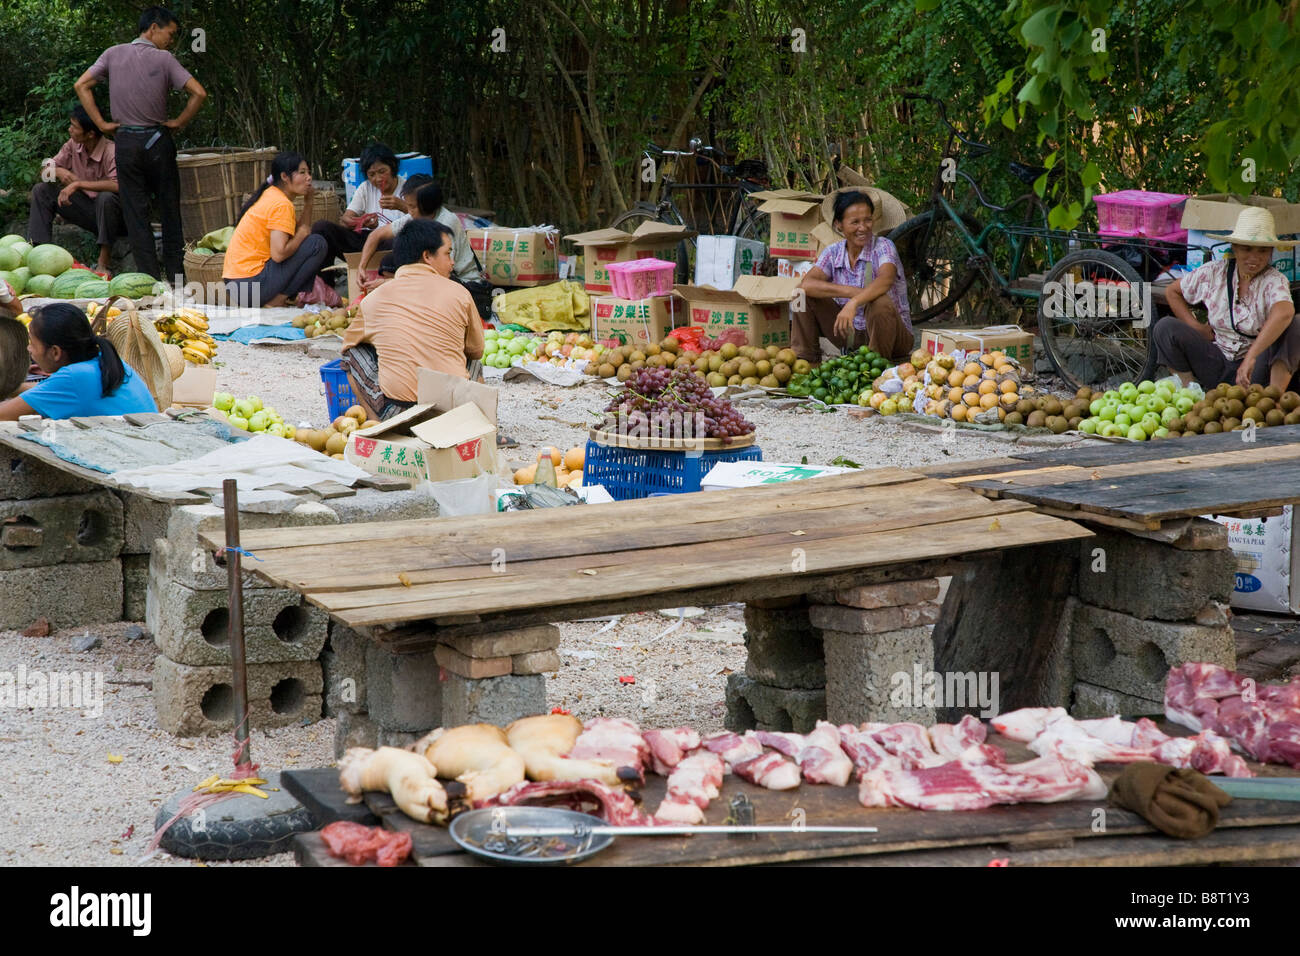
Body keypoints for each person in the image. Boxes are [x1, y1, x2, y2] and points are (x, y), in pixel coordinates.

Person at [75, 6, 207, 284]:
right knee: (170, 209)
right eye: (169, 33)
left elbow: (81, 85)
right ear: (153, 28)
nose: (171, 40)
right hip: (158, 141)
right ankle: (177, 278)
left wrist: (101, 124)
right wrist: (179, 121)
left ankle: (149, 280)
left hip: (126, 142)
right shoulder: (165, 59)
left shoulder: (112, 53)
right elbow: (198, 93)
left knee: (136, 213)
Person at [340, 220, 483, 421]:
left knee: (350, 354)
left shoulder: (374, 299)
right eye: (448, 253)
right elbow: (476, 351)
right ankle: (477, 420)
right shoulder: (460, 293)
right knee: (473, 359)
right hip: (452, 411)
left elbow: (349, 345)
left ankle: (376, 425)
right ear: (427, 256)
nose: (452, 262)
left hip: (398, 414)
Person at [1155, 206, 1299, 391]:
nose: (1254, 258)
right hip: (1218, 362)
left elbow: (1284, 312)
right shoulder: (1214, 272)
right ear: (1235, 248)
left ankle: (1273, 400)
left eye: (1262, 251)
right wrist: (1196, 327)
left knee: (1297, 324)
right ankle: (1191, 392)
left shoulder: (1274, 280)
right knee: (1165, 328)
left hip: (1257, 371)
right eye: (1247, 249)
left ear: (1271, 251)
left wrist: (1251, 357)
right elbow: (1172, 292)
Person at [793, 189, 913, 364]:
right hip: (849, 334)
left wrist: (854, 302)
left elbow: (885, 280)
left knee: (879, 301)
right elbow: (807, 284)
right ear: (838, 225)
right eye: (855, 222)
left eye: (868, 220)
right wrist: (852, 293)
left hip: (893, 337)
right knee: (800, 296)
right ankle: (806, 361)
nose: (863, 227)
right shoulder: (832, 252)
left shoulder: (884, 246)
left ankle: (876, 367)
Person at [0, 303, 157, 420]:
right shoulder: (105, 360)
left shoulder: (73, 378)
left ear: (55, 352)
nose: (29, 349)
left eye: (32, 343)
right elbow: (44, 389)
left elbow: (3, 414)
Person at [222, 152, 329, 308]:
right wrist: (301, 235)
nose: (308, 178)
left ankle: (276, 299)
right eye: (302, 172)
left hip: (238, 287)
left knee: (309, 241)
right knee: (317, 244)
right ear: (285, 176)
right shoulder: (281, 204)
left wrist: (309, 203)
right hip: (250, 285)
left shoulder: (271, 195)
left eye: (308, 173)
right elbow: (279, 254)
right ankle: (278, 300)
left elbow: (302, 230)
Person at [29, 105, 125, 276]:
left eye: (74, 127)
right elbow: (44, 173)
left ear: (90, 134)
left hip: (116, 218)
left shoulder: (111, 151)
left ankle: (103, 263)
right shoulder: (73, 145)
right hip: (88, 212)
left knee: (106, 198)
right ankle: (38, 252)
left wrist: (79, 184)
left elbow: (118, 184)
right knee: (41, 190)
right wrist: (58, 171)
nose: (69, 129)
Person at [360, 177, 483, 290]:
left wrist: (390, 283)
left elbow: (442, 272)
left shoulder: (446, 223)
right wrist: (361, 267)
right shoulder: (415, 216)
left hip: (462, 282)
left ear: (426, 207)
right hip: (433, 272)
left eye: (412, 207)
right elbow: (376, 235)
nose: (408, 210)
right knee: (388, 262)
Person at [312, 142, 405, 273]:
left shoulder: (407, 188)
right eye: (371, 174)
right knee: (321, 228)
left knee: (401, 240)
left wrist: (402, 206)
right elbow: (345, 219)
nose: (378, 179)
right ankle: (325, 287)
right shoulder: (366, 188)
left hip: (392, 246)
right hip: (366, 242)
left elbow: (422, 216)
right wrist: (359, 222)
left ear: (393, 167)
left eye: (382, 171)